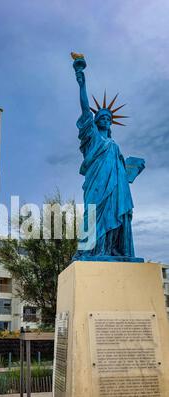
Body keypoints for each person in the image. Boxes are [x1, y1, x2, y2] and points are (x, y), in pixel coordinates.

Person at [72, 54, 144, 261]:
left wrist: (132, 168)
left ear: (111, 122)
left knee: (115, 214)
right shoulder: (92, 138)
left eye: (108, 117)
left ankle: (111, 250)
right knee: (93, 215)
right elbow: (85, 109)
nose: (105, 119)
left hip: (117, 187)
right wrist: (81, 81)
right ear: (95, 122)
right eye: (101, 117)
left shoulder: (114, 145)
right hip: (97, 184)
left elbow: (121, 168)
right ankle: (91, 250)